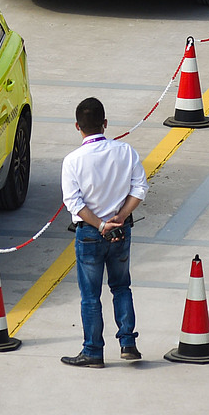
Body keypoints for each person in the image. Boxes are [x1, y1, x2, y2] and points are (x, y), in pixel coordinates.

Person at [59, 97, 147, 368]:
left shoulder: (72, 161)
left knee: (90, 295)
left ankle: (93, 351)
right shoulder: (125, 151)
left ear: (77, 126)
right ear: (105, 123)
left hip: (89, 234)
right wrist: (120, 216)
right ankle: (128, 343)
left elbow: (73, 203)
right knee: (121, 287)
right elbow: (140, 188)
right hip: (121, 231)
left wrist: (100, 225)